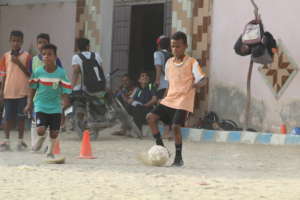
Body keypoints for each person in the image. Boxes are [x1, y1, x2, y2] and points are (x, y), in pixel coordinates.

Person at [147, 31, 207, 167]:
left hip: (183, 101)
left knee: (175, 127)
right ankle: (162, 149)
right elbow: (169, 84)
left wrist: (196, 84)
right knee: (150, 117)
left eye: (178, 46)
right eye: (173, 46)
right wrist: (163, 99)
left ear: (185, 46)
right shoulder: (168, 63)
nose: (175, 49)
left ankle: (178, 158)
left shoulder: (191, 62)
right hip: (170, 99)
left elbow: (203, 79)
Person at [24, 44, 71, 159]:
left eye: (49, 54)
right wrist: (30, 103)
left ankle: (50, 153)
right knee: (40, 130)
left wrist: (65, 104)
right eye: (44, 54)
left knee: (54, 133)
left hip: (55, 107)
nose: (46, 57)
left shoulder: (61, 73)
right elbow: (33, 87)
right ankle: (41, 139)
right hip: (40, 105)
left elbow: (66, 89)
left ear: (55, 57)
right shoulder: (38, 72)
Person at [29, 33, 63, 149]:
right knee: (36, 121)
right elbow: (31, 78)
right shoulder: (33, 60)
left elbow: (60, 78)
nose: (41, 45)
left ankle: (50, 146)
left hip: (52, 97)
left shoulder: (56, 61)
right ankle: (36, 142)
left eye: (44, 42)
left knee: (52, 124)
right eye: (39, 42)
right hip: (38, 97)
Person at [0, 30, 31, 151]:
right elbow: (3, 75)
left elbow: (30, 74)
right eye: (13, 40)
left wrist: (18, 63)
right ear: (10, 41)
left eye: (18, 41)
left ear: (22, 42)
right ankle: (6, 141)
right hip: (9, 92)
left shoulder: (27, 56)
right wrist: (2, 90)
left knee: (21, 118)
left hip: (22, 92)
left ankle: (20, 141)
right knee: (7, 118)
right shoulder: (5, 56)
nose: (15, 43)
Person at [71, 38, 106, 133]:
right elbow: (101, 70)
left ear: (78, 47)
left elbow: (75, 73)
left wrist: (71, 86)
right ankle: (100, 114)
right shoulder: (97, 55)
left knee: (74, 94)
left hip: (88, 87)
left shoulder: (76, 57)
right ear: (88, 46)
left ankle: (75, 119)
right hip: (101, 86)